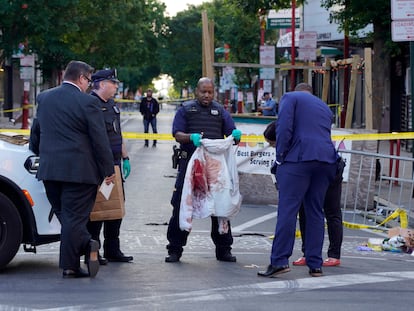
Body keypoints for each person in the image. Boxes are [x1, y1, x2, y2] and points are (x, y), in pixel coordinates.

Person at [29, 60, 115, 278]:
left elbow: (36, 134)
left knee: (67, 219)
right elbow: (99, 139)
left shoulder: (45, 98)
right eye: (89, 80)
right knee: (74, 220)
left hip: (50, 171)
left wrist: (40, 153)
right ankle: (76, 258)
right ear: (82, 78)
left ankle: (81, 252)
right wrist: (108, 169)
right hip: (80, 173)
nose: (89, 85)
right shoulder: (88, 103)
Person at [258, 82, 338, 278]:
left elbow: (284, 128)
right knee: (315, 211)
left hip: (299, 159)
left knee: (288, 210)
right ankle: (315, 264)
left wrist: (281, 156)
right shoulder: (324, 106)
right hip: (327, 160)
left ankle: (279, 261)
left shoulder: (289, 98)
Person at [165, 77, 242, 263]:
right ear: (196, 92)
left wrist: (236, 136)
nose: (206, 95)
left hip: (214, 169)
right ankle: (175, 249)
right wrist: (190, 137)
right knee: (181, 205)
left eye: (210, 92)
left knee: (220, 207)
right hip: (190, 167)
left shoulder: (220, 111)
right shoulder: (186, 110)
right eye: (203, 91)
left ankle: (224, 249)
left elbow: (232, 132)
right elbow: (177, 134)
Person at [87, 69, 133, 264]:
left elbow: (117, 134)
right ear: (102, 84)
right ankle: (93, 251)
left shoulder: (113, 105)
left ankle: (113, 249)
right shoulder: (90, 104)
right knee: (98, 210)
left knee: (116, 208)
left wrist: (125, 157)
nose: (116, 86)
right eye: (113, 83)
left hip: (114, 163)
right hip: (98, 166)